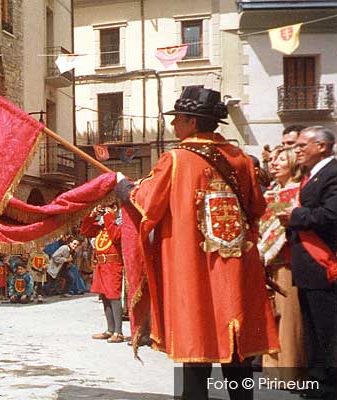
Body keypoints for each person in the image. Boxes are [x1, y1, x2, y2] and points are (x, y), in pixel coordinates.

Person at [116, 86, 277, 400]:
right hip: (238, 266)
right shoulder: (242, 160)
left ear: (192, 122)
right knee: (237, 348)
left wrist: (124, 187)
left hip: (195, 267)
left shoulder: (175, 159)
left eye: (178, 119)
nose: (173, 125)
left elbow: (148, 203)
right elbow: (257, 206)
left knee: (196, 344)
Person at [276, 126, 337, 397]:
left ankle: (326, 386)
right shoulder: (313, 175)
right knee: (311, 331)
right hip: (307, 266)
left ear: (322, 147)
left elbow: (330, 215)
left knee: (327, 332)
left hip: (321, 263)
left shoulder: (334, 175)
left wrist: (296, 216)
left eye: (303, 145)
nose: (298, 150)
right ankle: (316, 382)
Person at [259, 145, 306, 384]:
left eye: (280, 160)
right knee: (271, 315)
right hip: (269, 260)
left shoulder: (297, 191)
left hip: (287, 259)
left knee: (288, 317)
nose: (274, 164)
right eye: (273, 160)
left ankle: (289, 372)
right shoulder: (271, 192)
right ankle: (272, 369)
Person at [80, 202, 124, 343]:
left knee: (113, 296)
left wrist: (108, 217)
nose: (105, 212)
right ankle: (110, 329)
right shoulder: (102, 228)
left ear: (115, 209)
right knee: (104, 296)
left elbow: (116, 237)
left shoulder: (119, 226)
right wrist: (93, 215)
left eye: (109, 208)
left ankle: (119, 332)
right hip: (101, 265)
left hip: (113, 264)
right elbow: (85, 230)